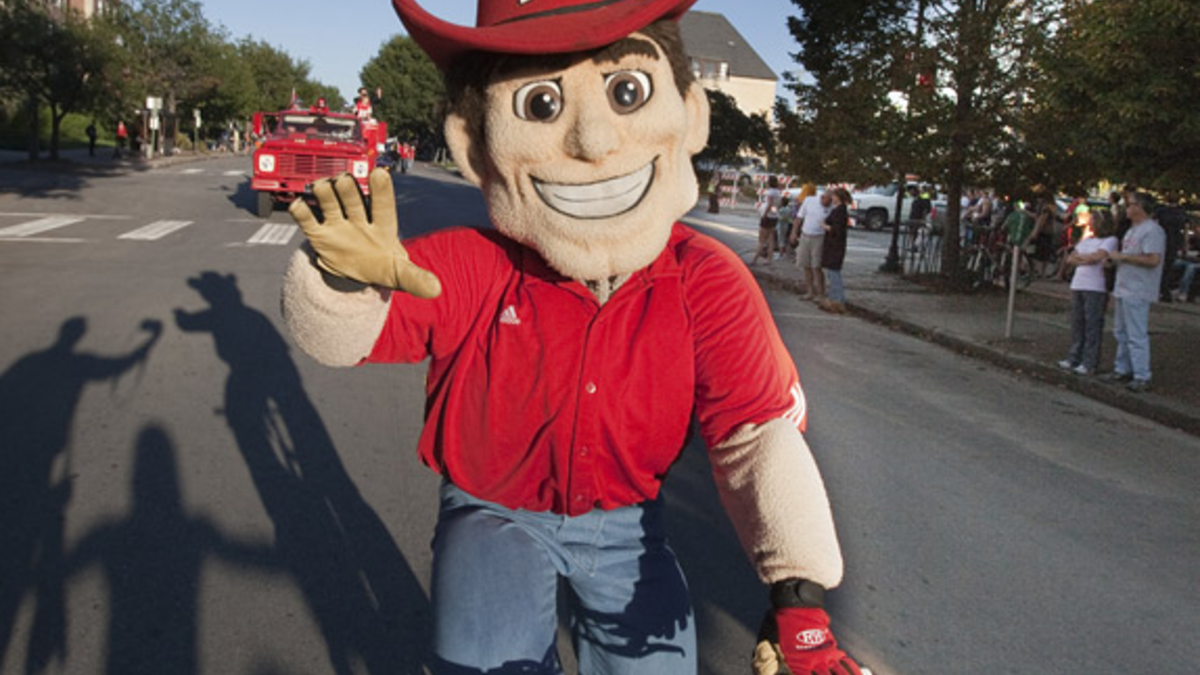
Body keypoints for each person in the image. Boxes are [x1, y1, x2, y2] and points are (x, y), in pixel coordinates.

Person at [281, 2, 862, 674]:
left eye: (626, 92)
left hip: (628, 523)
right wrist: (343, 283)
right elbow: (354, 333)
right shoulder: (475, 265)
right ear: (475, 144)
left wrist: (800, 596)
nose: (592, 140)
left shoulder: (705, 279)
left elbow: (754, 433)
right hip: (493, 514)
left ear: (688, 113)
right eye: (540, 102)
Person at [1104, 191, 1166, 393]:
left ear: (1140, 207)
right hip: (1124, 286)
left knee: (1136, 333)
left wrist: (1123, 257)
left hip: (1138, 289)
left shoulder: (1152, 231)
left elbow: (1153, 259)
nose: (1126, 208)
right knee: (1121, 331)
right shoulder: (1132, 231)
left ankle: (1141, 374)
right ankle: (1122, 368)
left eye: (1129, 204)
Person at [1057, 210, 1119, 376]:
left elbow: (1097, 257)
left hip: (1096, 286)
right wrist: (1086, 259)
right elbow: (1071, 258)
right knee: (1077, 322)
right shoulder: (1086, 240)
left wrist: (1084, 259)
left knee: (1092, 324)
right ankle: (1074, 357)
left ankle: (1089, 361)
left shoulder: (1110, 240)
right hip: (1079, 283)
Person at [794, 191, 831, 301]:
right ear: (822, 198)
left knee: (816, 266)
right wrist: (794, 232)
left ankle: (821, 293)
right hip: (805, 234)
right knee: (805, 265)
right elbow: (799, 217)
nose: (828, 204)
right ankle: (810, 291)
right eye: (826, 202)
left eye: (829, 202)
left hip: (819, 237)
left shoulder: (832, 207)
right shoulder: (809, 200)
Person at [819, 188, 851, 314]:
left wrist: (825, 226)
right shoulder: (837, 210)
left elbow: (837, 230)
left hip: (835, 246)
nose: (832, 198)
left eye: (834, 196)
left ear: (838, 197)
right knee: (832, 273)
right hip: (833, 246)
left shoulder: (840, 211)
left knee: (834, 273)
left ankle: (837, 300)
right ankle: (834, 298)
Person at [752, 175, 782, 265]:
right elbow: (778, 205)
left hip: (767, 217)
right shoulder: (778, 192)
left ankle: (755, 259)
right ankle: (769, 259)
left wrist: (764, 214)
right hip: (774, 217)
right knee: (771, 238)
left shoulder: (770, 193)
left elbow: (769, 204)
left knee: (762, 239)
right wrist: (775, 211)